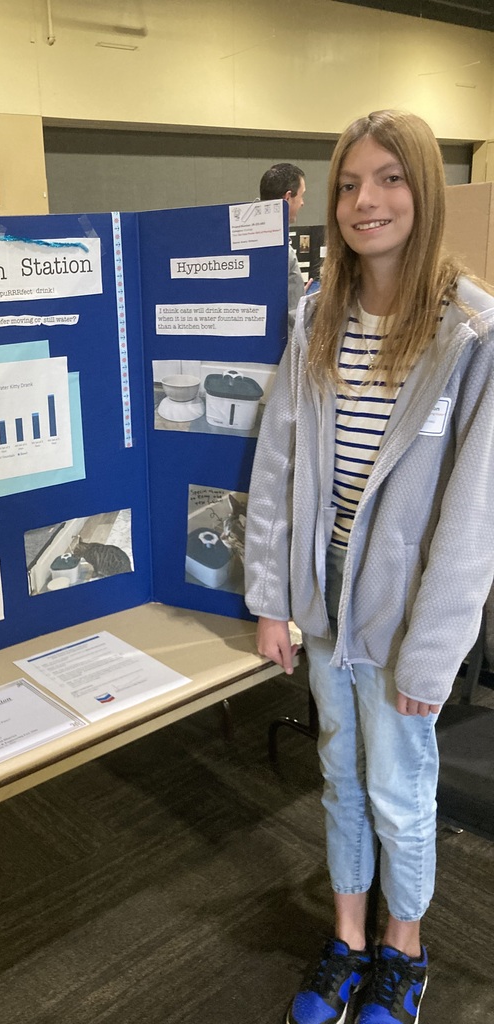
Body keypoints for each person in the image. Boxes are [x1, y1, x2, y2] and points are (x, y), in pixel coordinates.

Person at [245, 109, 494, 1024]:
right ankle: (347, 937)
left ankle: (406, 951)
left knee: (400, 784)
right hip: (323, 600)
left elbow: (476, 518)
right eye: (349, 184)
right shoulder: (316, 318)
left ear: (423, 191)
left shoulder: (469, 333)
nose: (364, 201)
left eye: (388, 179)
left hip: (403, 610)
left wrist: (432, 657)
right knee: (339, 772)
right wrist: (273, 599)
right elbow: (276, 469)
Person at [259, 162, 308, 332]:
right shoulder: (280, 250)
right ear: (287, 198)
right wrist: (305, 306)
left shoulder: (248, 239)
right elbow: (294, 320)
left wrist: (297, 291)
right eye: (301, 196)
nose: (302, 203)